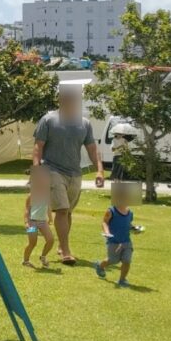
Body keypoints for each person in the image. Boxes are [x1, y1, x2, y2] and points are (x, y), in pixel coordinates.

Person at [32, 85, 104, 265]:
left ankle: (61, 246)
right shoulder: (48, 120)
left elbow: (92, 149)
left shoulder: (84, 123)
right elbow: (38, 146)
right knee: (62, 210)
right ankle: (66, 251)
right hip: (52, 170)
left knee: (68, 212)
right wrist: (37, 168)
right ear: (61, 100)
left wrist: (100, 170)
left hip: (75, 173)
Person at [95, 184, 138, 287]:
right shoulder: (111, 211)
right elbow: (104, 222)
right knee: (113, 260)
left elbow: (128, 224)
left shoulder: (130, 213)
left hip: (126, 241)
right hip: (113, 241)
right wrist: (107, 232)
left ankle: (122, 280)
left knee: (127, 260)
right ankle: (100, 266)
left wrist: (134, 228)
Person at [22, 164, 55, 268]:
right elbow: (27, 210)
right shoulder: (31, 196)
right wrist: (26, 222)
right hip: (32, 222)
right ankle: (25, 261)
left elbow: (48, 207)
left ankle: (43, 256)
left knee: (50, 240)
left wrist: (50, 218)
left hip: (42, 222)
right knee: (32, 243)